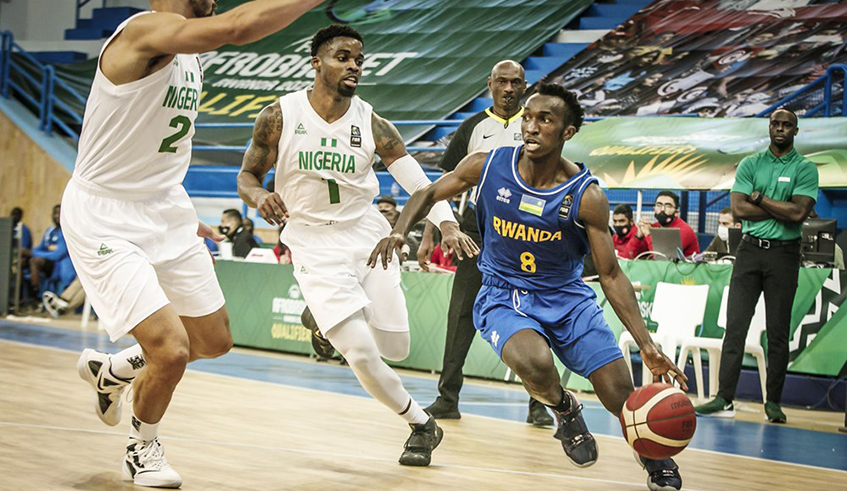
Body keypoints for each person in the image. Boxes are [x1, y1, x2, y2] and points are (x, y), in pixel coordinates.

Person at [369, 83, 687, 491]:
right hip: (503, 294)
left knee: (621, 394)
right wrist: (400, 232)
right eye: (528, 118)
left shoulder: (586, 196)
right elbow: (429, 191)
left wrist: (646, 345)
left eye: (544, 120)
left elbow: (610, 274)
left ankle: (654, 457)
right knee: (535, 364)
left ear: (567, 132)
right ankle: (563, 407)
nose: (531, 127)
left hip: (567, 299)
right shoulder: (489, 164)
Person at [62, 1, 321, 487]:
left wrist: (182, 213)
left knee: (213, 341)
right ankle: (142, 449)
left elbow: (164, 140)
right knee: (172, 350)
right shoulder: (143, 33)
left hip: (164, 209)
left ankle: (114, 371)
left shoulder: (188, 54)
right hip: (106, 216)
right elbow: (238, 27)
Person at [236, 24, 474, 467]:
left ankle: (324, 322)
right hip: (312, 242)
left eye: (358, 60)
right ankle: (421, 424)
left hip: (368, 237)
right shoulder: (280, 115)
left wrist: (446, 224)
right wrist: (258, 196)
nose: (353, 66)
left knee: (396, 347)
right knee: (361, 352)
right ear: (316, 62)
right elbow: (247, 176)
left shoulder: (371, 121)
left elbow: (417, 181)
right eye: (343, 57)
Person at [420, 60, 554, 426]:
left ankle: (540, 404)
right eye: (502, 82)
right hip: (477, 233)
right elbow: (442, 185)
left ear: (526, 86)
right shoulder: (472, 127)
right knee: (460, 316)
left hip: (526, 236)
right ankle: (447, 398)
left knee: (532, 317)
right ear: (490, 84)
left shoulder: (536, 124)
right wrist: (432, 232)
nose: (509, 89)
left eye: (516, 83)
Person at [696, 109, 818, 423]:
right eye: (776, 123)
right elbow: (738, 210)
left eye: (786, 124)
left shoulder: (805, 168)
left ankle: (773, 403)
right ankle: (724, 398)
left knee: (778, 332)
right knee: (735, 328)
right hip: (749, 251)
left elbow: (797, 215)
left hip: (784, 254)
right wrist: (779, 206)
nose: (780, 128)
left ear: (795, 130)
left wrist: (760, 199)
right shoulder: (752, 163)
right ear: (769, 127)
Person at [636, 190, 700, 257]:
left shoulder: (684, 230)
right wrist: (638, 236)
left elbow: (663, 257)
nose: (662, 209)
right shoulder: (654, 226)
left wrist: (648, 234)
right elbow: (630, 256)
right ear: (654, 209)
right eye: (659, 205)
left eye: (668, 206)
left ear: (676, 213)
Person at [29, 205, 75, 298]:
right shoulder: (50, 231)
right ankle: (28, 296)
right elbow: (41, 247)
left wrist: (32, 253)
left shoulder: (67, 231)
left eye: (59, 213)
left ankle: (35, 294)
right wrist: (28, 251)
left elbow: (57, 255)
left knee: (36, 261)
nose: (56, 216)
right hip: (50, 262)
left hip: (62, 265)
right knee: (25, 260)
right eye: (55, 213)